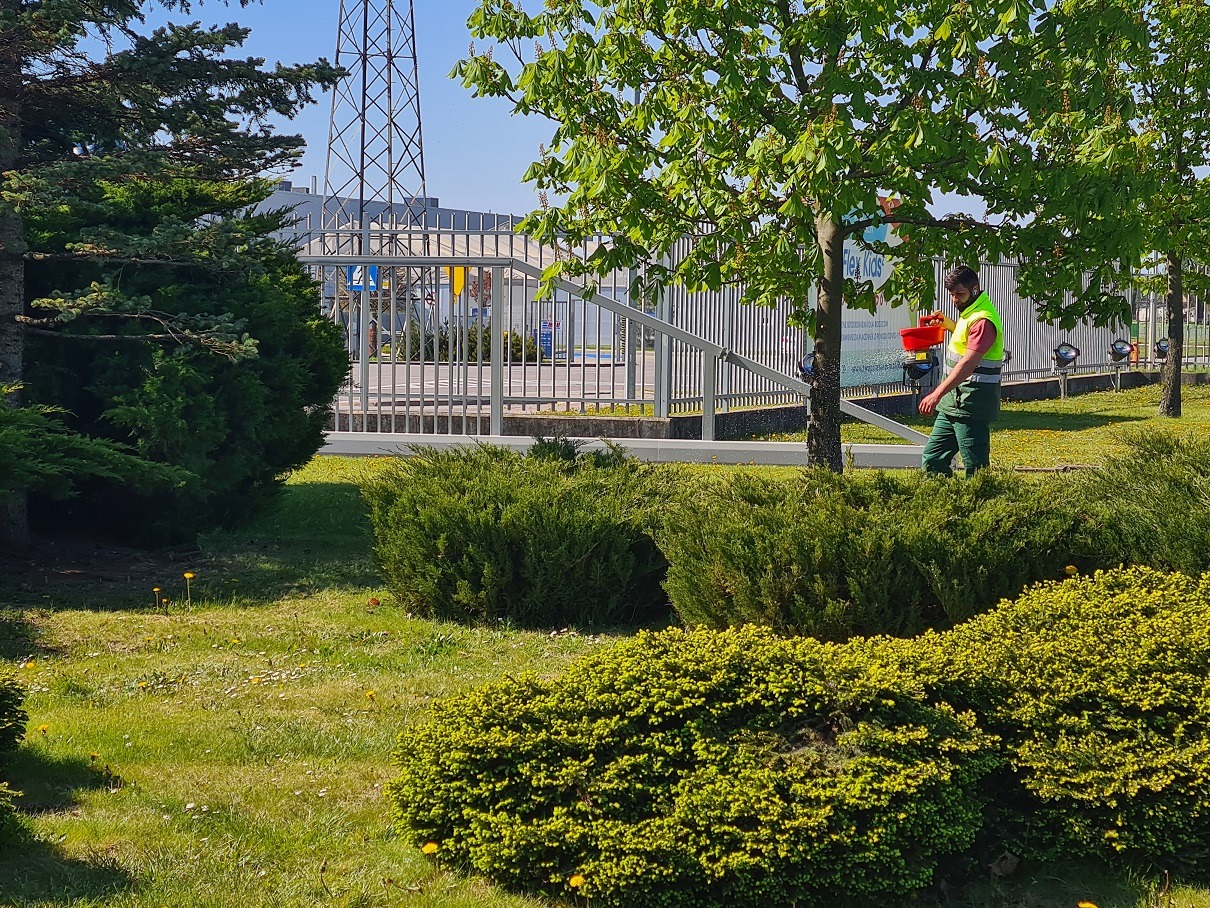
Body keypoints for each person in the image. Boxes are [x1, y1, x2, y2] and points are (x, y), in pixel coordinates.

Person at [918, 265, 1005, 477]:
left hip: (972, 405)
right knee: (932, 460)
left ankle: (979, 506)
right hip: (953, 404)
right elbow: (966, 337)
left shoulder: (983, 320)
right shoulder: (971, 313)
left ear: (975, 290)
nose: (955, 299)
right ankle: (943, 506)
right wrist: (947, 323)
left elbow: (968, 363)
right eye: (952, 295)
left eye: (960, 294)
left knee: (975, 469)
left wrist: (936, 394)